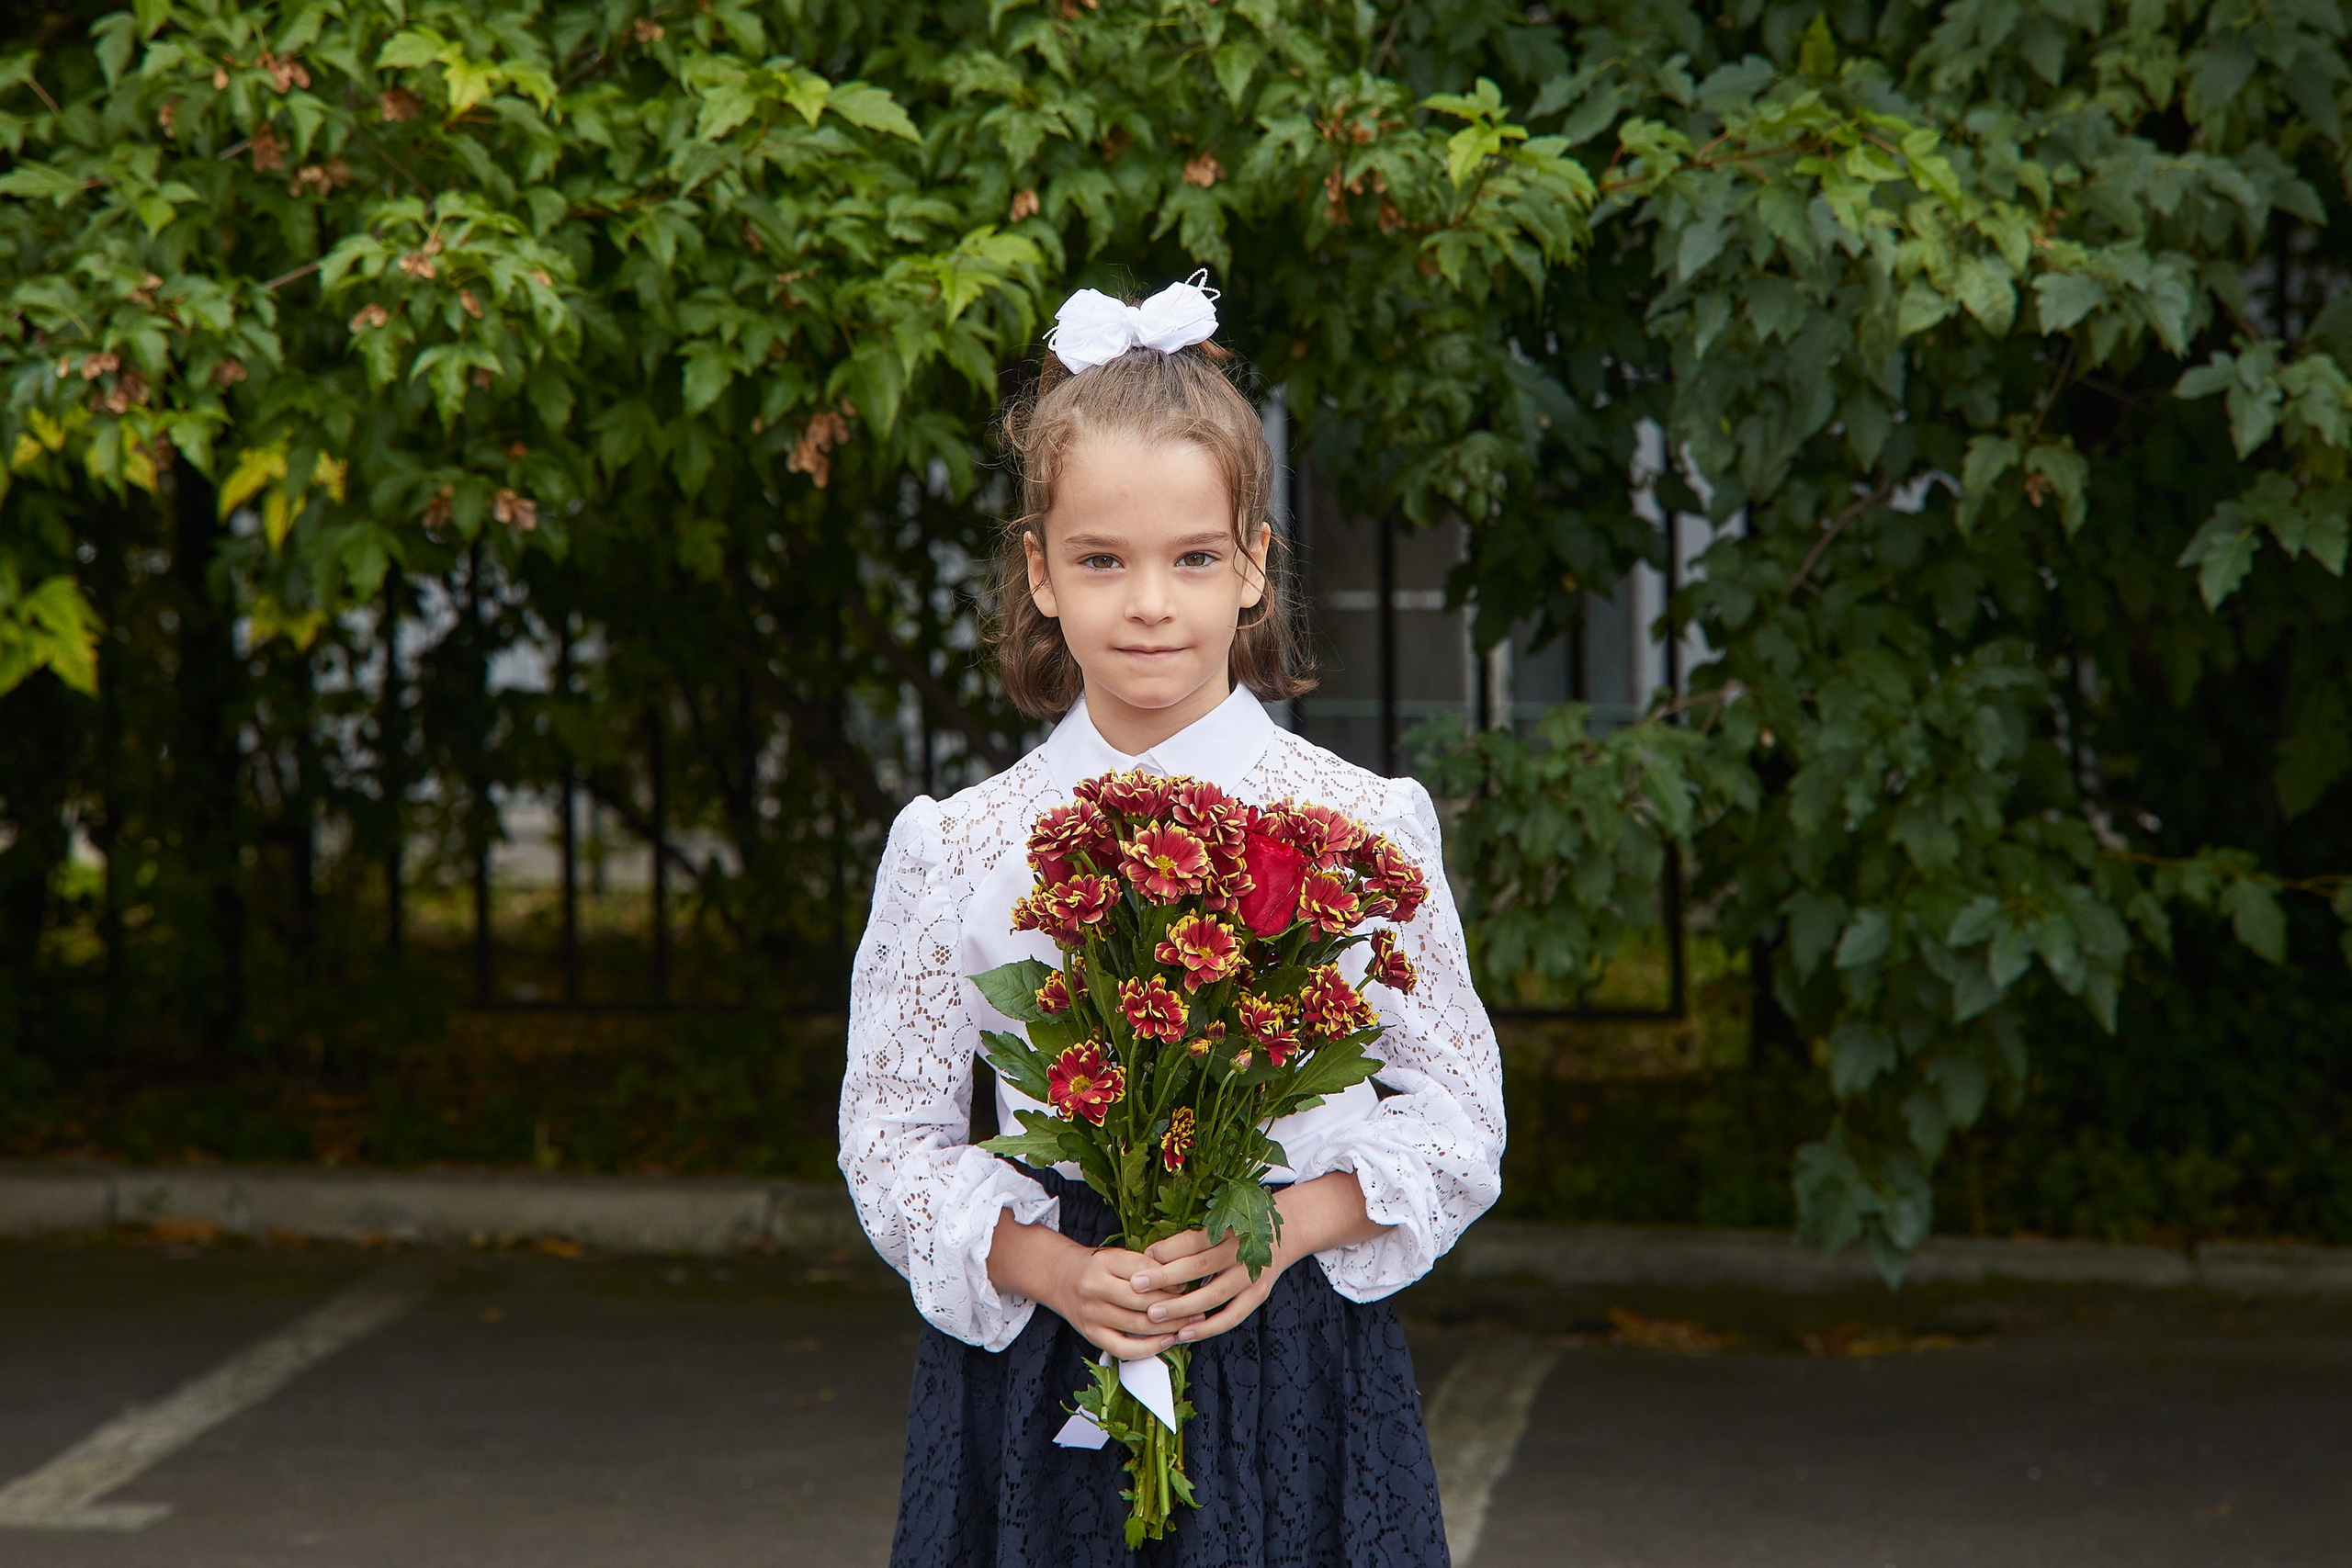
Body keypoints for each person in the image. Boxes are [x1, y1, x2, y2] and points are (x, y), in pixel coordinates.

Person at [838, 274, 1503, 1567]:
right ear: (1040, 574)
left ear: (1254, 563)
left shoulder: (1359, 824)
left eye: (1194, 557)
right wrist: (1052, 1269)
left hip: (1295, 1343)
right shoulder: (960, 844)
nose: (1150, 602)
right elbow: (890, 1135)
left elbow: (1461, 1110)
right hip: (1052, 1355)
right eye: (1102, 560)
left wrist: (1292, 1226)